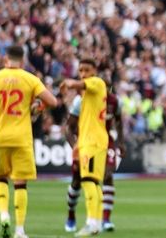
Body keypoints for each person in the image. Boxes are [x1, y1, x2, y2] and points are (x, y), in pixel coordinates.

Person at [0, 45, 58, 238]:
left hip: (0, 136)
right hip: (22, 138)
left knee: (1, 178)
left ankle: (4, 216)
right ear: (23, 60)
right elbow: (52, 101)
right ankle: (20, 230)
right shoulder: (30, 79)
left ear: (5, 59)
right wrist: (38, 106)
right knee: (20, 184)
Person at [64, 87, 125, 232]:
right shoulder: (82, 100)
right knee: (78, 182)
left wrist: (121, 142)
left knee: (108, 176)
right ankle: (71, 214)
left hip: (105, 142)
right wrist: (75, 147)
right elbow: (69, 127)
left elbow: (119, 122)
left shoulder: (115, 101)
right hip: (86, 142)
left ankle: (105, 220)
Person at [60, 58, 109, 237]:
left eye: (86, 70)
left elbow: (76, 83)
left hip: (92, 141)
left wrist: (68, 82)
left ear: (94, 71)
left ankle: (91, 223)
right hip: (92, 141)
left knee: (88, 181)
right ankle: (96, 223)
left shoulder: (96, 82)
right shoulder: (86, 96)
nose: (83, 74)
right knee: (94, 184)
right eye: (80, 70)